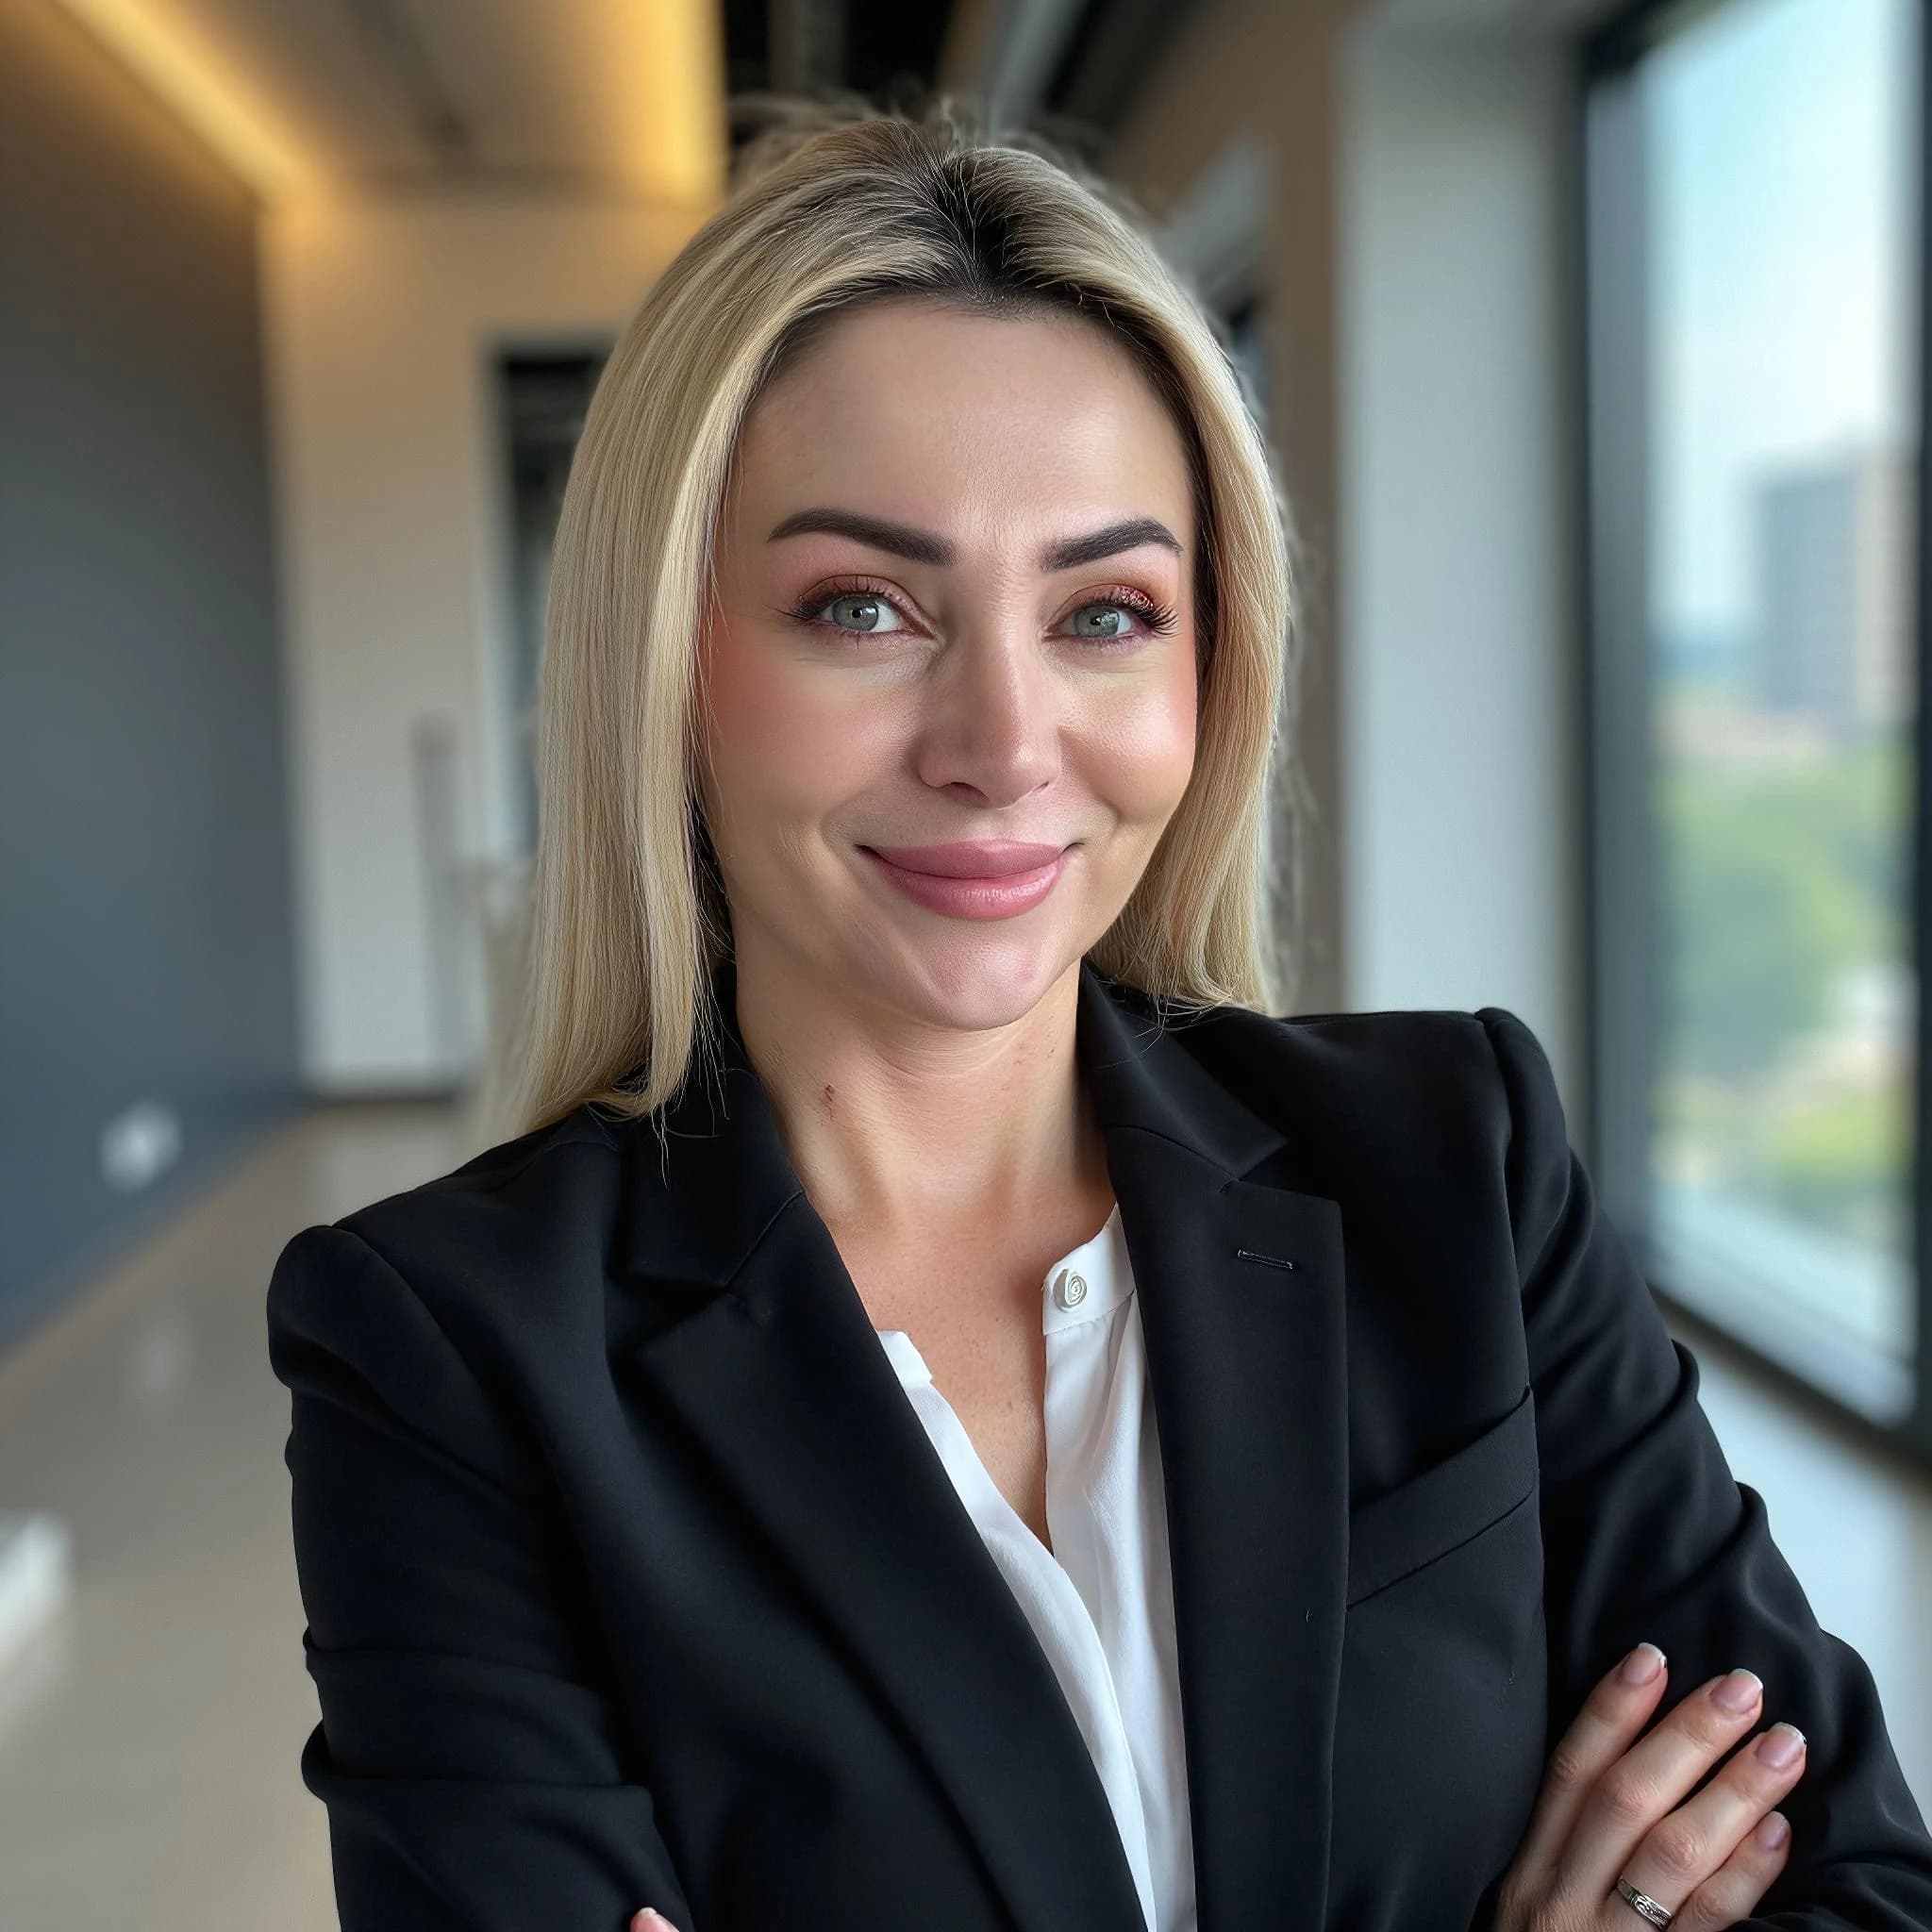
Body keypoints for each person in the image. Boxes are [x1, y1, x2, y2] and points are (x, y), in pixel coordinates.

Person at [265, 95, 1932, 1932]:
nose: (1000, 746)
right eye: (863, 604)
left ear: (1211, 668)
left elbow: (1851, 1880)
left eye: (1107, 613)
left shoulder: (1457, 1155)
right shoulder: (446, 1354)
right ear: (669, 665)